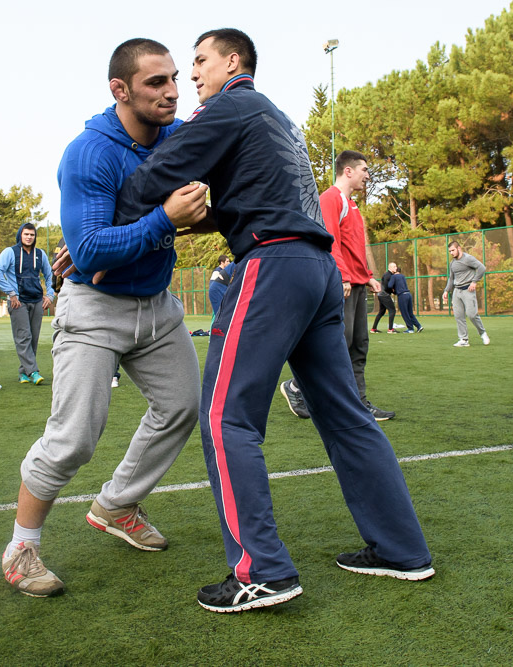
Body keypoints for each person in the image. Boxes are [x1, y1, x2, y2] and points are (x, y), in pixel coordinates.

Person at [116, 28, 433, 613]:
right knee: (346, 416)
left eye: (199, 62)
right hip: (317, 271)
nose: (191, 76)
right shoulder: (277, 118)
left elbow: (147, 180)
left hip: (275, 265)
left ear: (233, 62)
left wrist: (105, 217)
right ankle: (402, 549)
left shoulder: (230, 104)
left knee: (223, 418)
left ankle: (262, 571)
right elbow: (244, 202)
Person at [0, 38, 205, 598]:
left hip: (158, 308)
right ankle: (21, 547)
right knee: (74, 439)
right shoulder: (90, 152)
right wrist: (165, 218)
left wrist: (178, 220)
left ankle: (116, 504)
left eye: (173, 79)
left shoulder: (178, 138)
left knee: (184, 405)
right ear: (120, 90)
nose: (171, 92)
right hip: (94, 309)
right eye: (155, 83)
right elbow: (87, 251)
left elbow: (205, 211)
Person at [278, 150, 395, 422]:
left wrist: (367, 276)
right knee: (336, 345)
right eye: (364, 169)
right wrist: (341, 276)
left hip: (356, 284)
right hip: (340, 283)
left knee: (358, 344)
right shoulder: (330, 199)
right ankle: (296, 387)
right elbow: (329, 240)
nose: (368, 175)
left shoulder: (352, 206)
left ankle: (359, 403)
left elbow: (353, 247)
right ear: (349, 171)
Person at [0, 223, 56, 385]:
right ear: (20, 235)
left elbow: (50, 274)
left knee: (33, 339)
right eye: (26, 234)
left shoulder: (40, 254)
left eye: (32, 234)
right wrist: (11, 293)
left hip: (37, 300)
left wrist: (49, 295)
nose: (29, 237)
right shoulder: (10, 252)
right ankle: (34, 372)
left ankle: (24, 372)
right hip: (18, 302)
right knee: (24, 337)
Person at [443, 241, 489, 347]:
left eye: (453, 250)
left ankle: (482, 333)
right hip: (456, 291)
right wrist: (446, 290)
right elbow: (451, 278)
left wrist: (474, 282)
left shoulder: (468, 258)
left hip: (468, 290)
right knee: (459, 316)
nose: (451, 253)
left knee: (472, 315)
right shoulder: (452, 263)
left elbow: (482, 268)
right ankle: (463, 339)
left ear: (459, 248)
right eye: (449, 251)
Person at [389, 262, 422, 333]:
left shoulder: (394, 276)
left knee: (404, 313)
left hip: (402, 296)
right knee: (410, 312)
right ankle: (419, 326)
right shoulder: (403, 276)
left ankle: (410, 329)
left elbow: (389, 285)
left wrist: (393, 290)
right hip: (408, 294)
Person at [370, 267, 397, 333]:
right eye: (395, 266)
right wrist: (394, 291)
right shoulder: (388, 275)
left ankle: (373, 329)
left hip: (381, 295)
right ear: (391, 268)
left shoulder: (387, 275)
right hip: (384, 295)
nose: (396, 268)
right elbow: (387, 286)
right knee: (392, 310)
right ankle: (390, 329)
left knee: (381, 312)